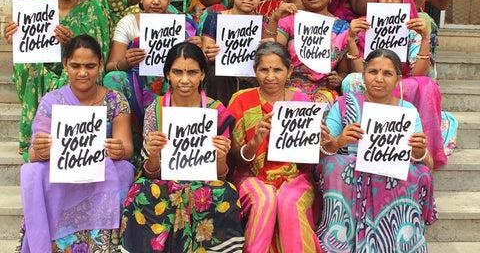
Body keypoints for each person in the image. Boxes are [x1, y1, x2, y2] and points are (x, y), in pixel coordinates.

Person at [121, 42, 244, 253]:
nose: (184, 80)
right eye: (177, 72)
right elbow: (150, 173)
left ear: (203, 75)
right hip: (163, 182)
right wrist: (154, 154)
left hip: (204, 183)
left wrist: (221, 156)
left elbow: (221, 175)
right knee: (140, 191)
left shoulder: (216, 110)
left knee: (225, 193)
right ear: (167, 74)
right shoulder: (156, 109)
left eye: (192, 72)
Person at [19, 35, 134, 252]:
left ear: (101, 65)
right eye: (75, 66)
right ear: (65, 65)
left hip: (100, 170)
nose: (83, 73)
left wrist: (118, 149)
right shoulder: (51, 101)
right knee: (34, 171)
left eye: (90, 66)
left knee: (125, 169)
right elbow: (34, 153)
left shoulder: (115, 100)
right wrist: (42, 149)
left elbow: (127, 148)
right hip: (63, 173)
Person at [315, 48, 436, 252]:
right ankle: (341, 239)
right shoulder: (345, 105)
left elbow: (429, 164)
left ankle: (397, 240)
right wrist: (338, 141)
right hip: (350, 171)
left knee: (419, 172)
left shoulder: (407, 111)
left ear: (398, 79)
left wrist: (419, 152)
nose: (379, 79)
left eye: (387, 73)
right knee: (334, 164)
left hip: (391, 170)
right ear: (363, 75)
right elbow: (322, 151)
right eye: (373, 72)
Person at [3, 0, 110, 162]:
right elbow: (29, 46)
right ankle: (35, 138)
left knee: (78, 70)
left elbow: (100, 52)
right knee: (28, 65)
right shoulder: (36, 8)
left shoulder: (93, 8)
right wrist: (14, 37)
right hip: (41, 71)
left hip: (77, 72)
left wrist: (72, 43)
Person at [343, 0, 449, 167]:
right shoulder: (364, 24)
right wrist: (351, 39)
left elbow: (418, 74)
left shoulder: (413, 26)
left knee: (426, 85)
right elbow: (361, 73)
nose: (390, 1)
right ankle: (360, 145)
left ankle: (421, 152)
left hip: (404, 81)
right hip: (373, 80)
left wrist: (425, 38)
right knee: (351, 80)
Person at [227, 41, 323, 253]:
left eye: (278, 69)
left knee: (288, 202)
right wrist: (254, 143)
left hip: (294, 177)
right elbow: (233, 158)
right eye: (264, 69)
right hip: (250, 176)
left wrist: (315, 141)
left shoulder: (302, 101)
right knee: (265, 199)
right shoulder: (241, 100)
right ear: (255, 71)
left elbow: (308, 161)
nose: (270, 76)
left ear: (289, 71)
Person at [103, 0, 200, 168]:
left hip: (172, 84)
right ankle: (129, 145)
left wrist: (197, 48)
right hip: (137, 84)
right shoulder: (129, 22)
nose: (155, 1)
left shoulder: (183, 25)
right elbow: (111, 66)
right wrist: (126, 62)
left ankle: (177, 152)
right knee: (113, 78)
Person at [274, 0, 350, 105]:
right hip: (289, 86)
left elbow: (343, 71)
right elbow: (273, 54)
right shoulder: (289, 21)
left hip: (324, 90)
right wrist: (274, 19)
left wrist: (338, 79)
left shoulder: (342, 28)